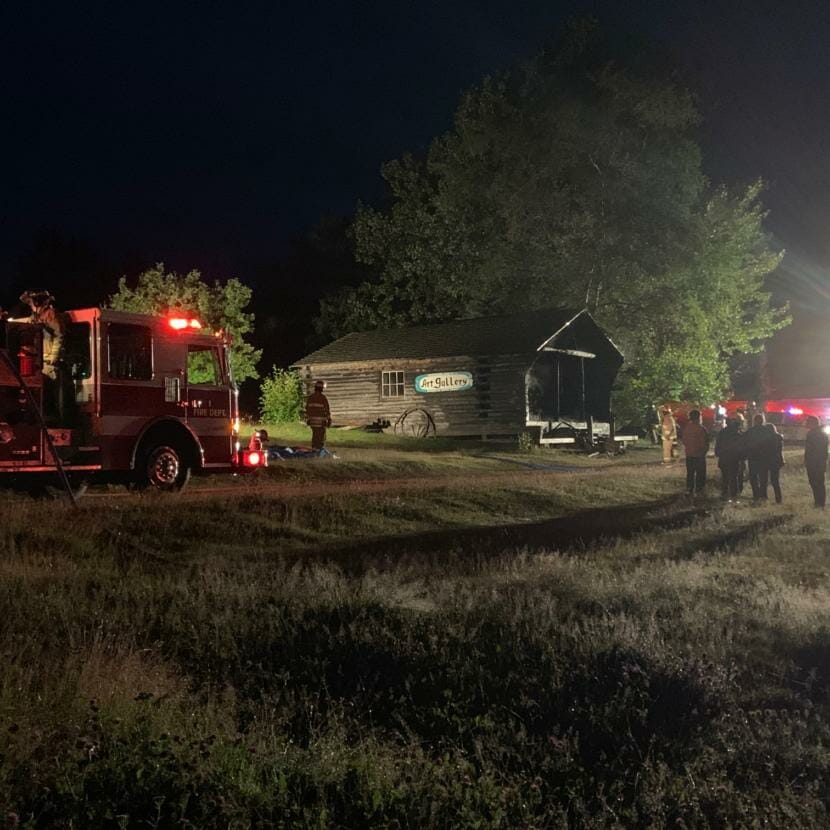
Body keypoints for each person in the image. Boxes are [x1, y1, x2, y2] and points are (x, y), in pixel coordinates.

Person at [744, 413, 777, 501]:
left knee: (753, 477)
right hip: (764, 457)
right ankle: (763, 494)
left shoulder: (750, 431)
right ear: (763, 420)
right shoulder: (767, 431)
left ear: (755, 421)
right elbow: (771, 444)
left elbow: (745, 443)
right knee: (763, 477)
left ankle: (756, 494)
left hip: (753, 457)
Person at [715, 417, 744, 501]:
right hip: (734, 459)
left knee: (725, 477)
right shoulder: (738, 435)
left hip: (724, 458)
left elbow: (718, 445)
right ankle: (733, 494)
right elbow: (741, 448)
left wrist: (718, 453)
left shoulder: (722, 433)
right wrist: (742, 457)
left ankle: (724, 493)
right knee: (734, 477)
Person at [681, 409, 709, 494]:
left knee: (690, 473)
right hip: (699, 455)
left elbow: (684, 441)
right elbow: (704, 442)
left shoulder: (687, 428)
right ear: (699, 417)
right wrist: (704, 451)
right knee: (700, 474)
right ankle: (699, 490)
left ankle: (689, 489)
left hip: (689, 454)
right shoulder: (701, 429)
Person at [804, 415, 828, 508]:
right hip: (820, 462)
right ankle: (820, 502)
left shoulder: (812, 434)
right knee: (819, 482)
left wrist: (808, 460)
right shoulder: (822, 433)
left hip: (814, 463)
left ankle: (819, 502)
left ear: (812, 423)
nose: (806, 424)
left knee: (815, 482)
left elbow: (810, 450)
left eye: (808, 422)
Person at [305, 379, 331, 452]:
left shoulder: (310, 398)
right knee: (321, 437)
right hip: (321, 422)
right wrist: (329, 419)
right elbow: (326, 410)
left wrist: (308, 419)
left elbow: (307, 409)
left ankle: (314, 449)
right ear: (321, 388)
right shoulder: (323, 398)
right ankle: (319, 451)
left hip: (313, 422)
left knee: (315, 436)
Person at [764, 422, 784, 503]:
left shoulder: (766, 438)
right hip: (776, 460)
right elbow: (780, 450)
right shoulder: (778, 438)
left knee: (764, 479)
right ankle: (778, 498)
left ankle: (764, 496)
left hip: (766, 460)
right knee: (775, 480)